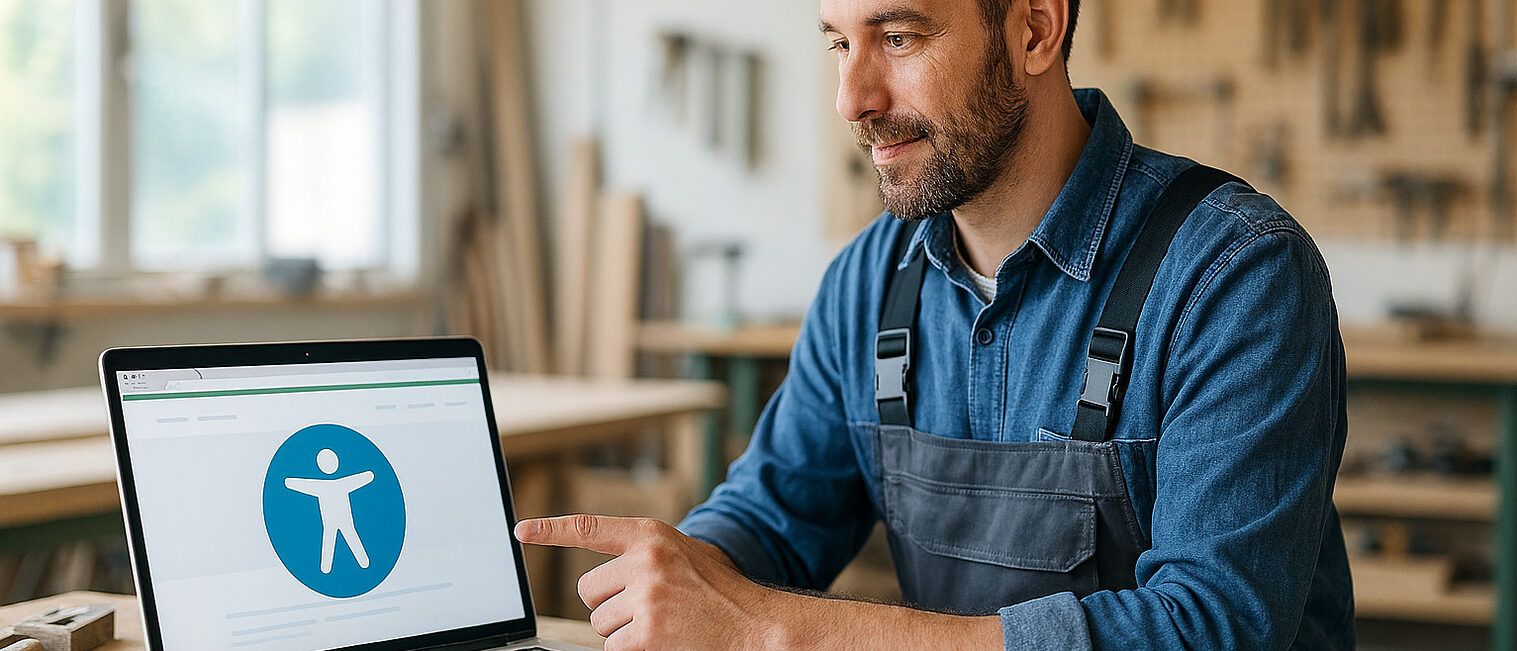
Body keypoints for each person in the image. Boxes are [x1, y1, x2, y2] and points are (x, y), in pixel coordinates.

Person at [517, 0, 1355, 648]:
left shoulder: (1235, 275)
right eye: (839, 43)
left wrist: (771, 631)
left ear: (1034, 29)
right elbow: (773, 515)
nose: (852, 98)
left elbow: (1208, 630)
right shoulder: (867, 283)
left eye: (899, 38)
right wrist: (682, 576)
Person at [286, 448, 374, 573]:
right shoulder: (336, 484)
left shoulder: (328, 486)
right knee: (339, 539)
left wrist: (288, 482)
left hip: (339, 522)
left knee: (335, 539)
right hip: (335, 522)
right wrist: (289, 482)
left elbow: (366, 477)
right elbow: (366, 476)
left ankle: (332, 568)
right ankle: (333, 567)